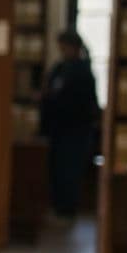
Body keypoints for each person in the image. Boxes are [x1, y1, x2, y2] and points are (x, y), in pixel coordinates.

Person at [39, 30, 99, 222]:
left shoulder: (83, 71)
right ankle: (58, 207)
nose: (62, 51)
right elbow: (50, 91)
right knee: (57, 169)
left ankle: (67, 210)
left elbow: (85, 103)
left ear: (74, 47)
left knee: (70, 170)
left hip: (76, 130)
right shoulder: (60, 68)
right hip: (58, 129)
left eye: (65, 47)